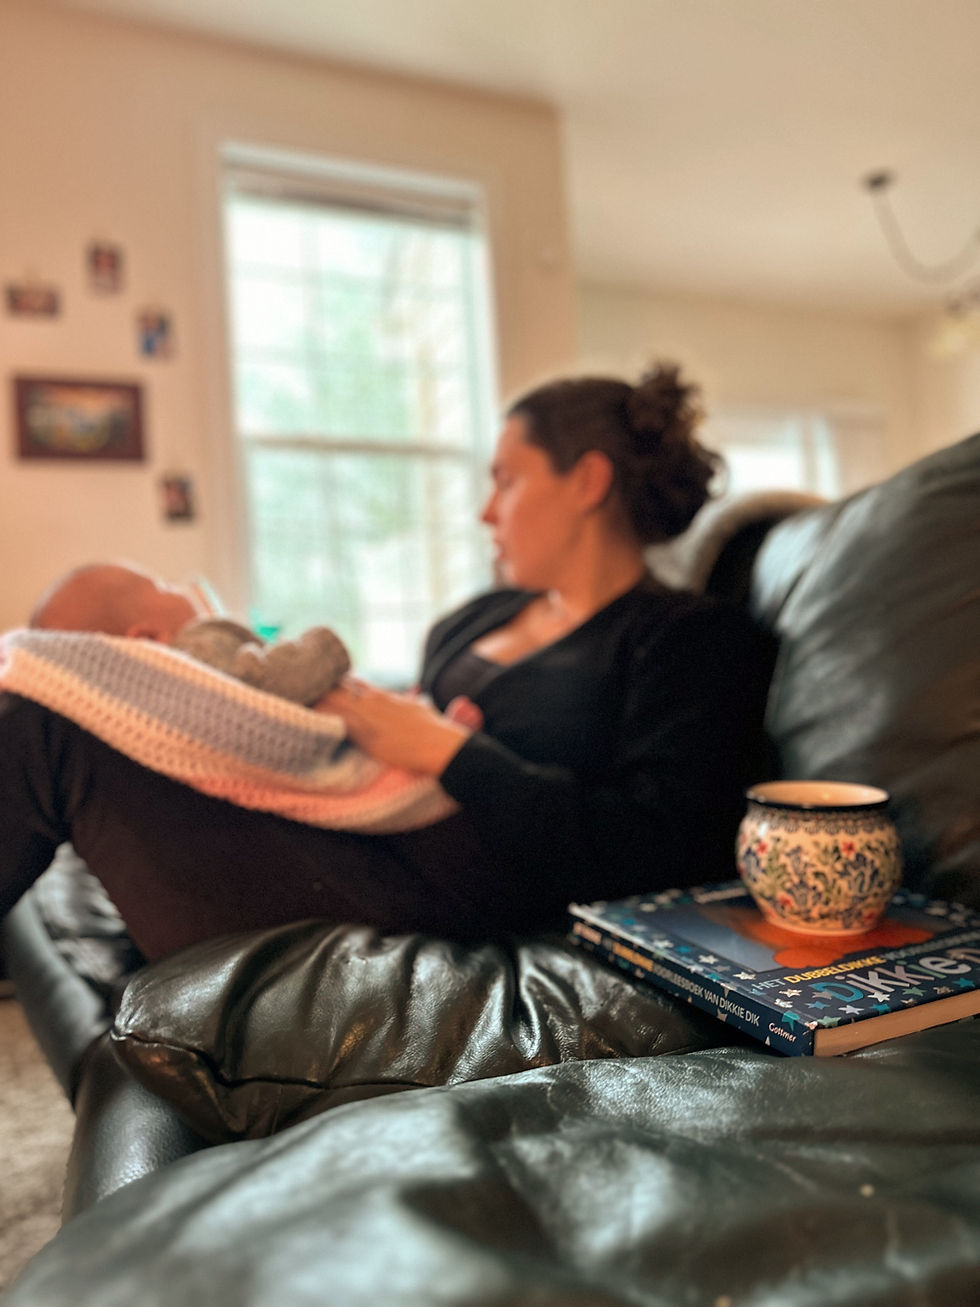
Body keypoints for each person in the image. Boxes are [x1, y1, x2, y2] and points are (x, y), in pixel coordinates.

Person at [0, 362, 774, 961]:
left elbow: (670, 847)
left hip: (449, 898)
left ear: (588, 481)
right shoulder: (477, 616)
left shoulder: (687, 638)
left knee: (48, 727)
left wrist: (451, 752)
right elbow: (393, 742)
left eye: (505, 480)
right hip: (362, 835)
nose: (484, 512)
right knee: (87, 705)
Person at [29, 562, 351, 705]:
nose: (180, 587)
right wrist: (323, 646)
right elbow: (268, 679)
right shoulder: (194, 654)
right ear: (148, 639)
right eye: (163, 586)